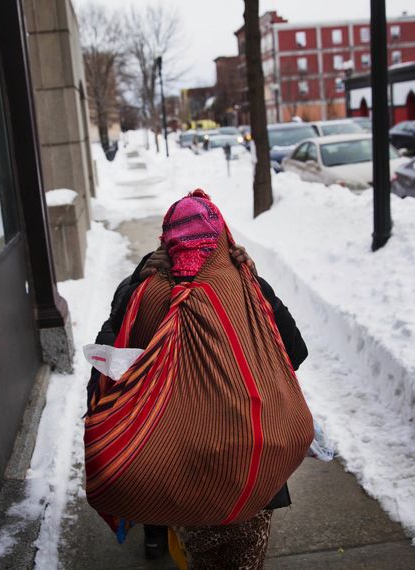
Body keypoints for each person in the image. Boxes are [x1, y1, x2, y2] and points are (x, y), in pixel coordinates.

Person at [85, 190, 312, 568]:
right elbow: (295, 353)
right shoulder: (244, 288)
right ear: (222, 236)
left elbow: (111, 366)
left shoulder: (149, 292)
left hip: (181, 470)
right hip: (253, 471)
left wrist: (137, 280)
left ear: (168, 241)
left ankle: (159, 537)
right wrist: (256, 283)